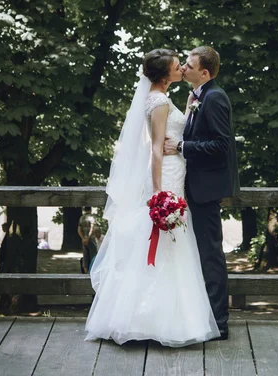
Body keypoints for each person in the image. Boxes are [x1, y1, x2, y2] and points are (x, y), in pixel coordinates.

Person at [85, 49, 219, 346]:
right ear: (163, 75)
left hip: (176, 172)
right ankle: (148, 319)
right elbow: (156, 148)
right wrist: (159, 192)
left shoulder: (166, 99)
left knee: (174, 243)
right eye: (176, 66)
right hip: (165, 175)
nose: (182, 68)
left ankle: (167, 317)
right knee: (163, 240)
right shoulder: (158, 102)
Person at [164, 46, 239, 340]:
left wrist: (182, 147)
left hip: (206, 190)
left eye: (189, 65)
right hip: (192, 185)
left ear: (204, 73)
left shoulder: (215, 97)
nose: (184, 67)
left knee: (211, 255)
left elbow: (222, 145)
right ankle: (203, 316)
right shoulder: (196, 97)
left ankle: (219, 323)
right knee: (197, 253)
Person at [78, 207, 97, 274]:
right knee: (93, 257)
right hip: (91, 239)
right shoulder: (92, 218)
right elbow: (92, 229)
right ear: (90, 210)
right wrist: (88, 238)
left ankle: (86, 274)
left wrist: (83, 238)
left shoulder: (82, 218)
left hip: (84, 241)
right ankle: (92, 273)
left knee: (85, 257)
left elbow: (79, 230)